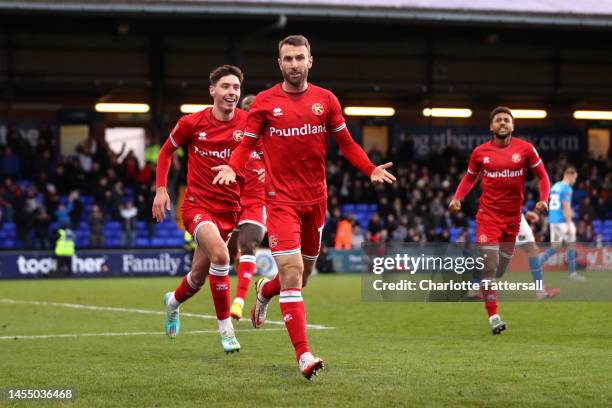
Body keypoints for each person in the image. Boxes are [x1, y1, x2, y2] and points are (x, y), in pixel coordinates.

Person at [212, 35, 396, 379]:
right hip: (280, 202)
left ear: (310, 61)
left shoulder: (326, 100)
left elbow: (346, 142)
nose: (294, 64)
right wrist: (232, 167)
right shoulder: (265, 102)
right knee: (293, 272)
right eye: (288, 59)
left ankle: (266, 290)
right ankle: (304, 355)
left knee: (303, 277)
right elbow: (247, 144)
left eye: (300, 58)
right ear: (279, 63)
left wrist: (370, 167)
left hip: (316, 202)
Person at [153, 64, 247, 354]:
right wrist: (160, 189)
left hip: (230, 210)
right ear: (212, 91)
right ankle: (225, 329)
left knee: (198, 277)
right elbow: (166, 151)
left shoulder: (248, 124)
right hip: (197, 206)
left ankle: (172, 302)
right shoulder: (192, 123)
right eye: (226, 87)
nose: (231, 92)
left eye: (235, 88)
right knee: (221, 256)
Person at [449, 106, 550, 335]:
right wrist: (457, 198)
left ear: (512, 126)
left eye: (506, 120)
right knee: (490, 265)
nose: (502, 123)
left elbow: (543, 176)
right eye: (498, 120)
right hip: (488, 217)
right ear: (491, 126)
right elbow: (469, 178)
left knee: (500, 270)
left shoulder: (526, 150)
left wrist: (544, 199)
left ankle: (479, 286)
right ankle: (494, 316)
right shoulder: (480, 152)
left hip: (513, 219)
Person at [227, 94, 268, 321]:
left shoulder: (273, 138)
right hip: (231, 201)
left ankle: (239, 301)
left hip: (256, 202)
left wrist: (272, 170)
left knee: (249, 244)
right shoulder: (236, 137)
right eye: (247, 109)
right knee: (230, 254)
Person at [538, 167, 586, 281]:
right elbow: (565, 207)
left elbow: (556, 205)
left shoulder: (555, 186)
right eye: (575, 178)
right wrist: (569, 225)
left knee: (555, 246)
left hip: (553, 221)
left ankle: (538, 261)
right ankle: (572, 274)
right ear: (570, 176)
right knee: (571, 245)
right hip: (562, 221)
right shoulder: (567, 188)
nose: (575, 181)